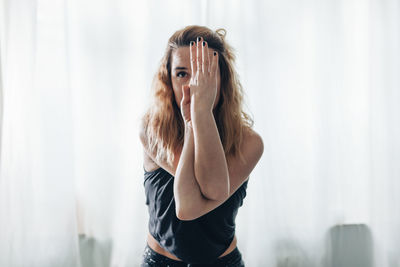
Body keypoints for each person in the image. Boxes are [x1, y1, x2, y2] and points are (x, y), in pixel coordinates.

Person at [139, 25, 264, 266]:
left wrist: (201, 113)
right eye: (182, 74)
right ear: (168, 78)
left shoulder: (249, 142)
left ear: (222, 78)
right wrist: (191, 122)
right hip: (159, 262)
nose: (192, 85)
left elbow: (214, 189)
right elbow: (188, 206)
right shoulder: (151, 128)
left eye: (203, 73)